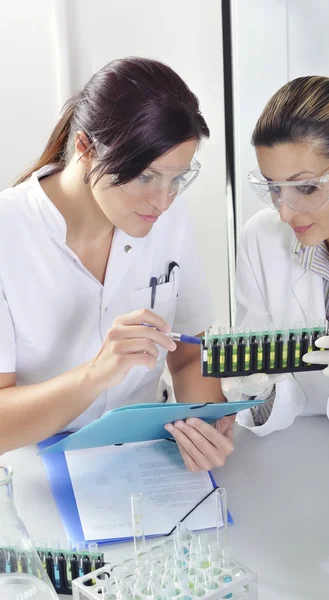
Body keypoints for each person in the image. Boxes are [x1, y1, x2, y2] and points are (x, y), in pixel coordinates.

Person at [0, 57, 234, 470]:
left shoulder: (168, 217)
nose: (163, 201)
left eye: (177, 179)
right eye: (145, 177)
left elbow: (188, 353)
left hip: (148, 455)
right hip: (37, 468)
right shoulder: (9, 235)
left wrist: (206, 419)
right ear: (86, 148)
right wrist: (96, 373)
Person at [222, 75, 329, 444]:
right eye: (274, 188)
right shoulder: (261, 238)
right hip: (296, 457)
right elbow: (267, 402)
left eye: (305, 188)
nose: (286, 213)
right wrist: (258, 392)